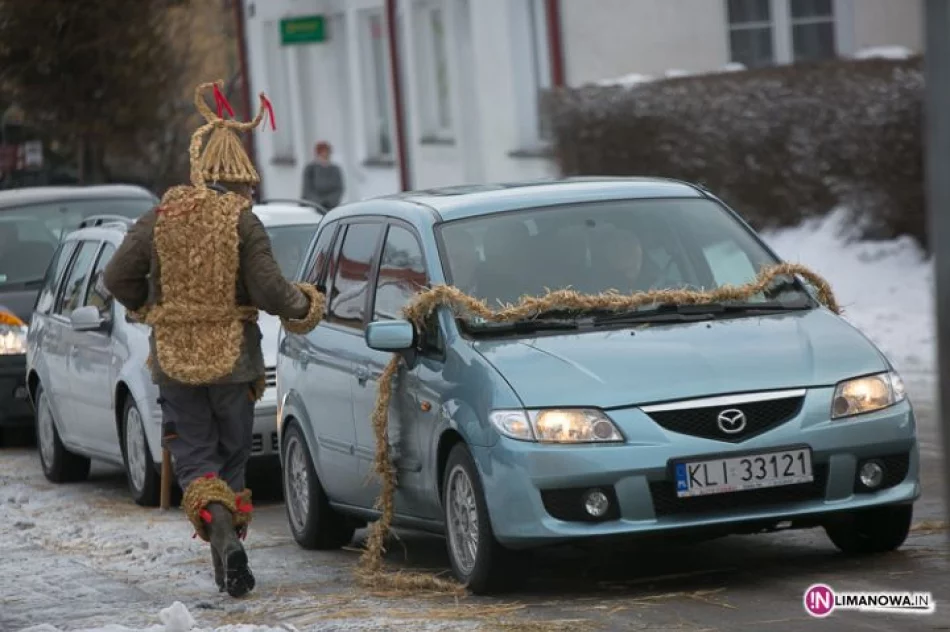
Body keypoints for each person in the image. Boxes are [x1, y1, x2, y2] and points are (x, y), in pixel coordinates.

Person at [103, 81, 325, 598]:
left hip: (176, 362)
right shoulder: (243, 221)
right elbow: (270, 290)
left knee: (196, 459)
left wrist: (150, 308)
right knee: (230, 458)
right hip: (234, 364)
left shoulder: (161, 217)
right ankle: (228, 540)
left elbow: (115, 278)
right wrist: (308, 305)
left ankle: (222, 544)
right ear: (242, 182)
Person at [301, 141, 344, 210]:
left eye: (327, 153)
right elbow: (307, 190)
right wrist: (319, 203)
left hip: (331, 207)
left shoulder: (335, 170)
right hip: (313, 207)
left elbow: (339, 189)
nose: (325, 156)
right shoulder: (310, 169)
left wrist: (329, 202)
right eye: (322, 154)